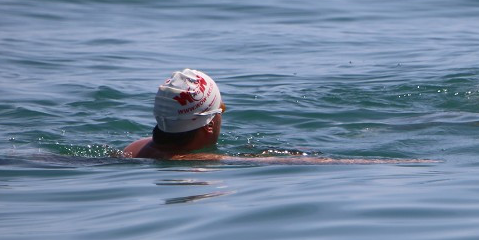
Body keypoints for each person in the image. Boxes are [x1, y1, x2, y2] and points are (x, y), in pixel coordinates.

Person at [123, 69, 427, 163]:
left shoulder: (134, 149)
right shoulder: (197, 161)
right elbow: (298, 162)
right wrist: (402, 163)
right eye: (222, 110)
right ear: (209, 124)